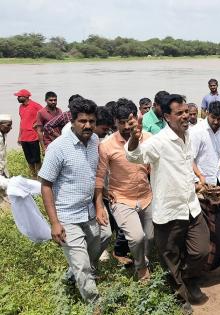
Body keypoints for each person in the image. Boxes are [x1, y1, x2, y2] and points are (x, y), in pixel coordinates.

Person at [125, 94, 209, 313]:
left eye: (185, 112)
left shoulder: (188, 136)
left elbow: (185, 163)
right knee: (170, 257)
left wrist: (197, 180)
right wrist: (134, 137)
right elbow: (135, 156)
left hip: (191, 206)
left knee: (200, 250)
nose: (185, 116)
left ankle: (189, 279)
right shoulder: (158, 142)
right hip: (169, 211)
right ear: (168, 116)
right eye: (179, 113)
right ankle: (181, 297)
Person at [39, 98, 102, 302]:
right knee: (82, 263)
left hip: (89, 211)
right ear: (72, 121)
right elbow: (46, 185)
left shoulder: (94, 142)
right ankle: (94, 303)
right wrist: (55, 223)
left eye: (92, 121)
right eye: (82, 121)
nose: (88, 126)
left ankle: (72, 275)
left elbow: (94, 175)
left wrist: (99, 205)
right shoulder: (58, 147)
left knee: (104, 237)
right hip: (67, 215)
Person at [95, 98, 154, 281]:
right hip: (121, 199)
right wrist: (99, 204)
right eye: (121, 123)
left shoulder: (148, 139)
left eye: (129, 122)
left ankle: (145, 259)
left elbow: (155, 168)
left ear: (136, 119)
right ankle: (141, 268)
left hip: (146, 196)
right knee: (136, 238)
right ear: (115, 122)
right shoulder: (106, 146)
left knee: (151, 238)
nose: (126, 127)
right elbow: (99, 176)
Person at [190, 101, 220, 186]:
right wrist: (199, 176)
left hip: (217, 177)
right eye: (213, 117)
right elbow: (189, 159)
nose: (216, 122)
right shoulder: (197, 132)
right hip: (201, 181)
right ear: (207, 114)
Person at [15, 89, 43, 178]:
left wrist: (37, 123)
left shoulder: (35, 105)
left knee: (36, 159)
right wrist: (19, 136)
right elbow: (22, 121)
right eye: (18, 96)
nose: (18, 98)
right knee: (29, 159)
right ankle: (33, 176)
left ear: (26, 97)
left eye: (19, 96)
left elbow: (44, 114)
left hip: (33, 136)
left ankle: (40, 176)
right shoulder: (21, 107)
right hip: (24, 137)